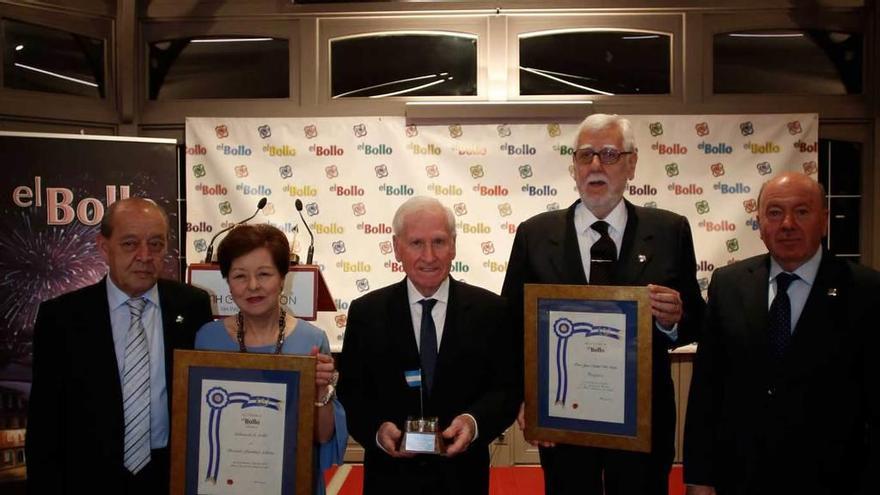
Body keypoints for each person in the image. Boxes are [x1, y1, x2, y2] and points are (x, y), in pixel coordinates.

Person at [501, 113, 706, 495]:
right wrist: (524, 396)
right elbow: (511, 327)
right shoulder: (534, 234)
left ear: (631, 163)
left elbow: (696, 321)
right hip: (563, 416)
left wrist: (674, 319)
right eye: (585, 155)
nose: (596, 166)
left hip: (643, 422)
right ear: (573, 166)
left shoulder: (669, 231)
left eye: (609, 154)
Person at [683, 172, 880, 495]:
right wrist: (699, 479)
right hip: (741, 478)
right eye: (774, 213)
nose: (787, 223)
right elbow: (707, 392)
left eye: (802, 211)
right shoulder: (729, 284)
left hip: (834, 479)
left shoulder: (867, 292)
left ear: (824, 220)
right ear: (760, 223)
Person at [26, 198, 214, 495]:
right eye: (129, 244)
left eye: (156, 244)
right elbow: (45, 422)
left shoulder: (193, 306)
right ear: (104, 247)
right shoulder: (61, 317)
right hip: (89, 478)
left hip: (171, 476)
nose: (145, 256)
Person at [337, 196, 520, 495]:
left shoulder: (492, 311)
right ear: (397, 248)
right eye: (416, 243)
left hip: (462, 479)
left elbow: (506, 390)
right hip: (389, 481)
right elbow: (352, 394)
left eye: (439, 242)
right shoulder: (366, 313)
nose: (429, 256)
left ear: (454, 246)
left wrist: (473, 424)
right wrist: (378, 431)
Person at [194, 223, 346, 495]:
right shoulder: (207, 340)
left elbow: (322, 436)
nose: (253, 286)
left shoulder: (311, 341)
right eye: (239, 276)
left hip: (291, 481)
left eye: (264, 274)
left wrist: (321, 390)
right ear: (227, 281)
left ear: (283, 277)